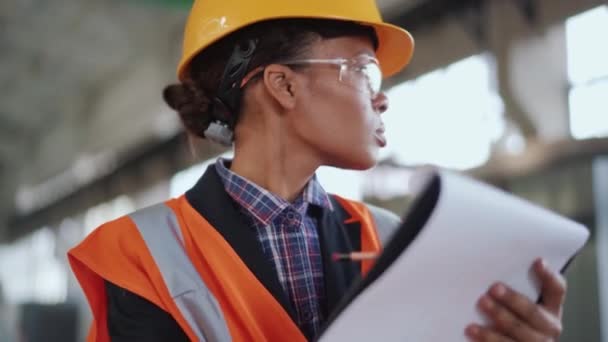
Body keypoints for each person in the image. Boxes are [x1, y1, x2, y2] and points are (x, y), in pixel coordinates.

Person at [68, 0, 567, 341]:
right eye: (364, 69)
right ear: (283, 86)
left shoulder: (393, 239)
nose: (382, 97)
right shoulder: (141, 254)